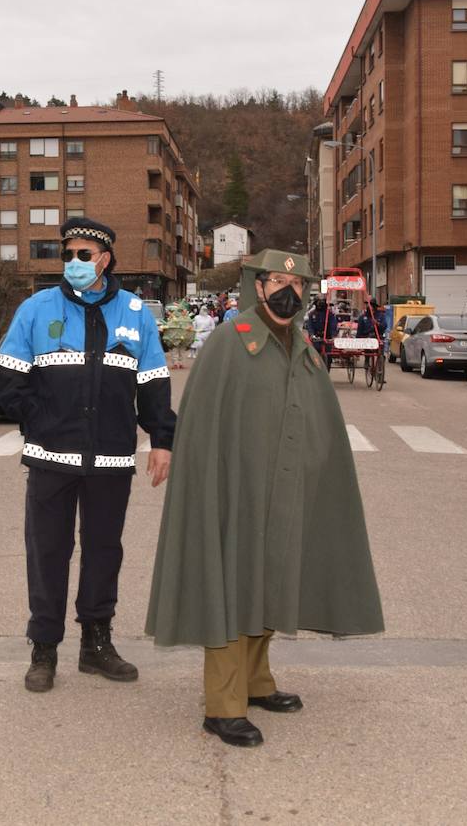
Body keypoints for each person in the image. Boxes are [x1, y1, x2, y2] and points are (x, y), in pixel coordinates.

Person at [146, 249, 384, 749]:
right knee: (233, 588)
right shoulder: (231, 345)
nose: (287, 292)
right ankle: (223, 706)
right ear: (258, 286)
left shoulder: (303, 346)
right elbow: (205, 425)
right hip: (236, 493)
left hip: (286, 491)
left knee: (269, 584)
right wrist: (213, 490)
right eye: (278, 282)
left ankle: (257, 683)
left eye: (298, 286)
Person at [0, 217, 176, 693]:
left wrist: (161, 440)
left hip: (111, 460)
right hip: (51, 458)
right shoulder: (36, 309)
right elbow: (7, 376)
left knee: (103, 552)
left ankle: (96, 644)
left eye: (83, 255)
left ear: (105, 260)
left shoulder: (134, 312)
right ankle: (44, 649)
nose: (73, 263)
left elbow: (153, 382)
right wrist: (40, 419)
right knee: (48, 553)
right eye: (67, 254)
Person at [160, 302, 195, 369]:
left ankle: (179, 363)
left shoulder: (185, 319)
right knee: (176, 351)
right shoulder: (173, 319)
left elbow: (190, 327)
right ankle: (177, 363)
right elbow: (167, 327)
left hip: (181, 338)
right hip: (175, 338)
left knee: (179, 351)